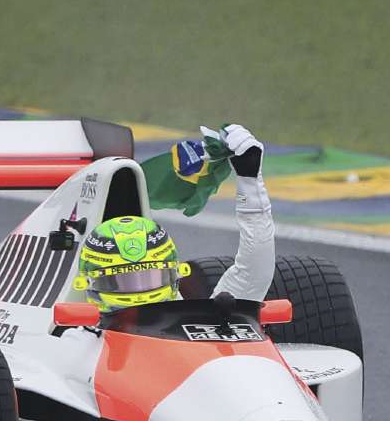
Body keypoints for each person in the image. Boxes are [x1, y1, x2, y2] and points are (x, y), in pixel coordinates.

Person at [73, 124, 274, 311]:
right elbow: (252, 279)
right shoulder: (74, 340)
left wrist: (249, 182)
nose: (140, 296)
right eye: (120, 282)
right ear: (89, 282)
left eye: (151, 278)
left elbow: (253, 277)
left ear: (175, 274)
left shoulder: (199, 324)